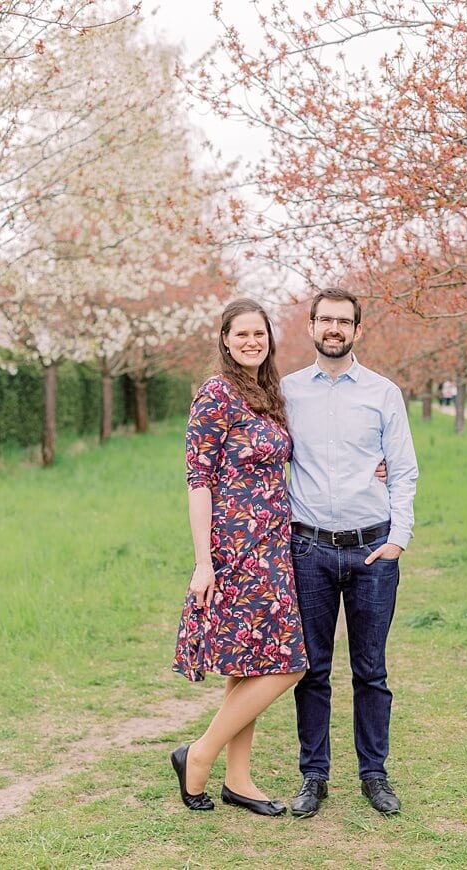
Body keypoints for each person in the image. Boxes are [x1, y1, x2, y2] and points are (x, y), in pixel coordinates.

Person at [282, 288, 419, 818]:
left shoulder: (384, 393)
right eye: (325, 320)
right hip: (309, 548)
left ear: (357, 330)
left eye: (344, 321)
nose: (334, 329)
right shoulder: (287, 391)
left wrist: (398, 539)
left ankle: (374, 773)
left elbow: (402, 468)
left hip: (372, 550)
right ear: (311, 326)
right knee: (313, 670)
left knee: (371, 671)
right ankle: (313, 776)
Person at [170, 299, 307, 817]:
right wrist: (203, 561)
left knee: (250, 662)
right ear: (225, 340)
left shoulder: (268, 393)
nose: (252, 341)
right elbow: (198, 480)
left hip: (273, 545)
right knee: (288, 664)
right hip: (234, 549)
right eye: (241, 334)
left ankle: (239, 778)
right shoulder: (216, 394)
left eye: (259, 333)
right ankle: (199, 755)